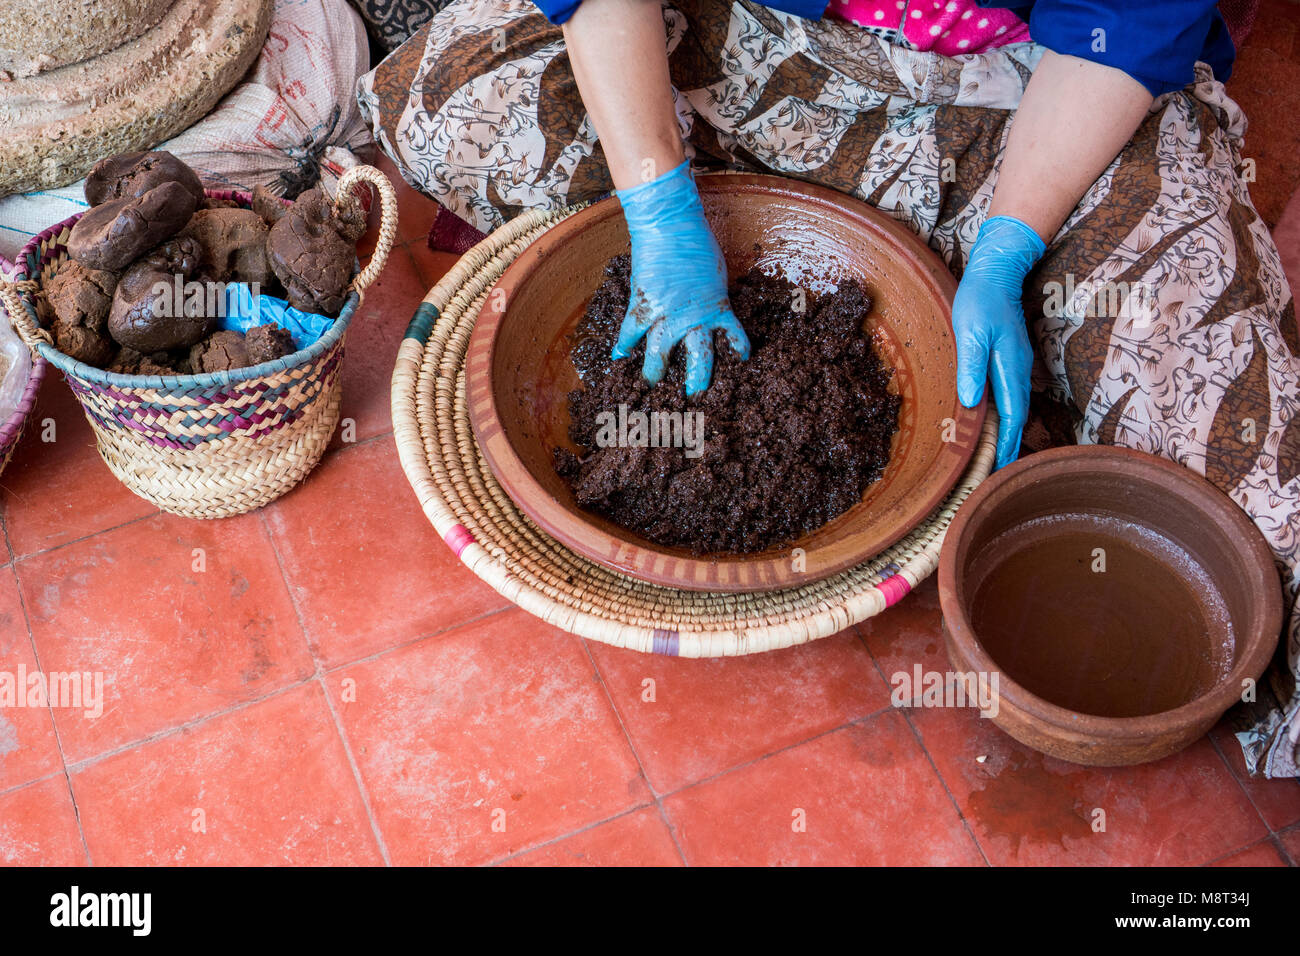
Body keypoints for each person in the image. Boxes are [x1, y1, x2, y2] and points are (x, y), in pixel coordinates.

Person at [358, 0, 1300, 776]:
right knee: (446, 101)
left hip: (1029, 90)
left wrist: (1012, 244)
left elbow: (1123, 31)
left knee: (1245, 470)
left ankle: (980, 264)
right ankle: (837, 233)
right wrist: (656, 200)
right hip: (769, 43)